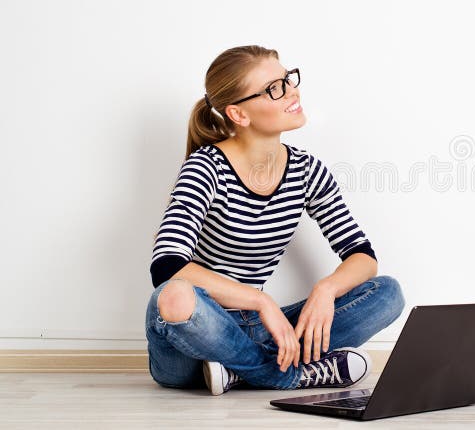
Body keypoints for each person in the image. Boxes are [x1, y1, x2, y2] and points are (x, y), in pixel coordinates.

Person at [145, 45, 405, 395]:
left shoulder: (306, 170)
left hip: (260, 330)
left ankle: (239, 370)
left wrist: (326, 290)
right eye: (274, 89)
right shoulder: (205, 169)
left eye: (287, 79)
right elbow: (167, 266)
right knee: (173, 296)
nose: (292, 91)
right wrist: (261, 301)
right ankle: (285, 375)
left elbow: (362, 255)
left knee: (387, 293)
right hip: (199, 332)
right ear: (238, 114)